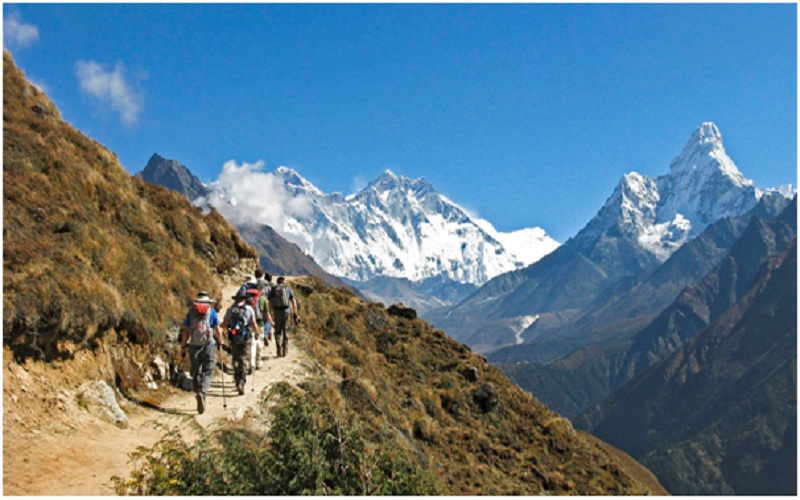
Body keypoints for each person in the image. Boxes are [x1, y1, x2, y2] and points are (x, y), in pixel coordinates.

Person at [179, 291, 222, 414]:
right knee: (208, 371)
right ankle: (203, 392)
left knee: (195, 371)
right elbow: (217, 329)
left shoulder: (191, 312)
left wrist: (183, 345)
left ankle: (197, 390)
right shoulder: (211, 312)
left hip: (194, 345)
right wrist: (220, 340)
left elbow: (185, 330)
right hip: (209, 345)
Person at [221, 290, 260, 395]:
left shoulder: (230, 310)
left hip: (233, 337)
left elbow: (224, 325)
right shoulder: (249, 309)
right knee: (243, 358)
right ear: (244, 299)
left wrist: (223, 332)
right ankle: (242, 382)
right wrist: (257, 333)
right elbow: (254, 324)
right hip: (246, 337)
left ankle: (236, 379)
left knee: (235, 358)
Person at [268, 276, 300, 358]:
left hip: (277, 311)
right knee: (285, 331)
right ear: (283, 282)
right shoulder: (287, 289)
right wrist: (295, 313)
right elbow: (293, 301)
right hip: (286, 311)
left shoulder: (274, 289)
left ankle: (278, 349)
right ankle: (285, 351)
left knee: (277, 331)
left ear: (277, 282)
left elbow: (270, 302)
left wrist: (271, 312)